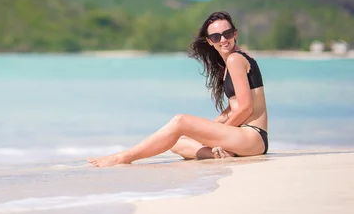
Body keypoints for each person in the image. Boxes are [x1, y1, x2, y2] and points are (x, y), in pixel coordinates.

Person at [88, 11, 269, 167]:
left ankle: (124, 157)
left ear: (235, 33)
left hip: (252, 137)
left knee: (180, 121)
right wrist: (211, 128)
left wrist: (217, 136)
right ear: (209, 41)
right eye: (216, 37)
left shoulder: (235, 59)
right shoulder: (230, 62)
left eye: (227, 33)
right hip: (246, 138)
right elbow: (233, 109)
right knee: (177, 142)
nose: (223, 40)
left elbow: (246, 108)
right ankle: (221, 154)